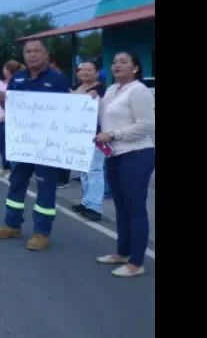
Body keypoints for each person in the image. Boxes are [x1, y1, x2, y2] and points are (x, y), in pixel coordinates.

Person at [0, 39, 70, 251]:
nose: (32, 54)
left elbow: (67, 110)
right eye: (28, 51)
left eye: (36, 51)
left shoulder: (58, 79)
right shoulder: (18, 77)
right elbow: (13, 107)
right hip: (22, 144)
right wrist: (1, 100)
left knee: (45, 187)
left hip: (46, 145)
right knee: (16, 183)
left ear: (46, 55)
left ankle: (42, 232)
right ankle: (12, 224)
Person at [93, 52, 155, 277]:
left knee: (135, 208)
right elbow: (105, 114)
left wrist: (114, 134)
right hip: (115, 154)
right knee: (121, 206)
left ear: (136, 68)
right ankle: (122, 252)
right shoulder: (111, 90)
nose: (117, 65)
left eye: (123, 62)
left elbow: (147, 125)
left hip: (137, 154)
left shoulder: (139, 90)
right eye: (114, 62)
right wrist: (93, 98)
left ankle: (136, 262)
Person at [69, 61, 107, 221]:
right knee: (83, 170)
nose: (85, 72)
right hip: (79, 135)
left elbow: (100, 113)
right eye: (82, 69)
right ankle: (86, 202)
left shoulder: (101, 90)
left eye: (89, 70)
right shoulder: (78, 88)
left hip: (95, 136)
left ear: (96, 73)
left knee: (94, 170)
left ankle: (95, 206)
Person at [0, 60, 24, 177]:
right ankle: (6, 167)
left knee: (9, 143)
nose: (3, 71)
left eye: (5, 68)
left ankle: (14, 169)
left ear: (9, 70)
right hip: (4, 116)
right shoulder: (6, 82)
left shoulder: (18, 82)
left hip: (13, 118)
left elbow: (17, 102)